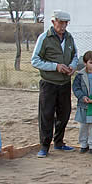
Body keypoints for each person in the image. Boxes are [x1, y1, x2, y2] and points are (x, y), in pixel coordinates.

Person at [31, 10, 78, 158]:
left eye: (66, 23)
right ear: (53, 22)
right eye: (61, 22)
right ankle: (44, 145)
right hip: (49, 83)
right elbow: (35, 60)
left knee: (64, 113)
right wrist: (55, 66)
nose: (63, 26)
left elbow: (75, 56)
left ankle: (59, 141)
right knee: (46, 114)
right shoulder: (44, 38)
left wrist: (72, 66)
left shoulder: (69, 38)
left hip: (64, 83)